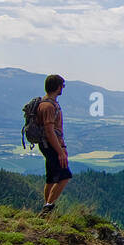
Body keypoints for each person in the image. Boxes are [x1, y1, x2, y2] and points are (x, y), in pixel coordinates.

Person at [37, 74, 71, 216]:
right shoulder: (49, 106)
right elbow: (50, 131)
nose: (63, 88)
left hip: (46, 144)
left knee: (51, 177)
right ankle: (48, 207)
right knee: (65, 176)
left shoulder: (43, 103)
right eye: (62, 85)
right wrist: (60, 151)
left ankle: (47, 208)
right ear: (57, 87)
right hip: (52, 145)